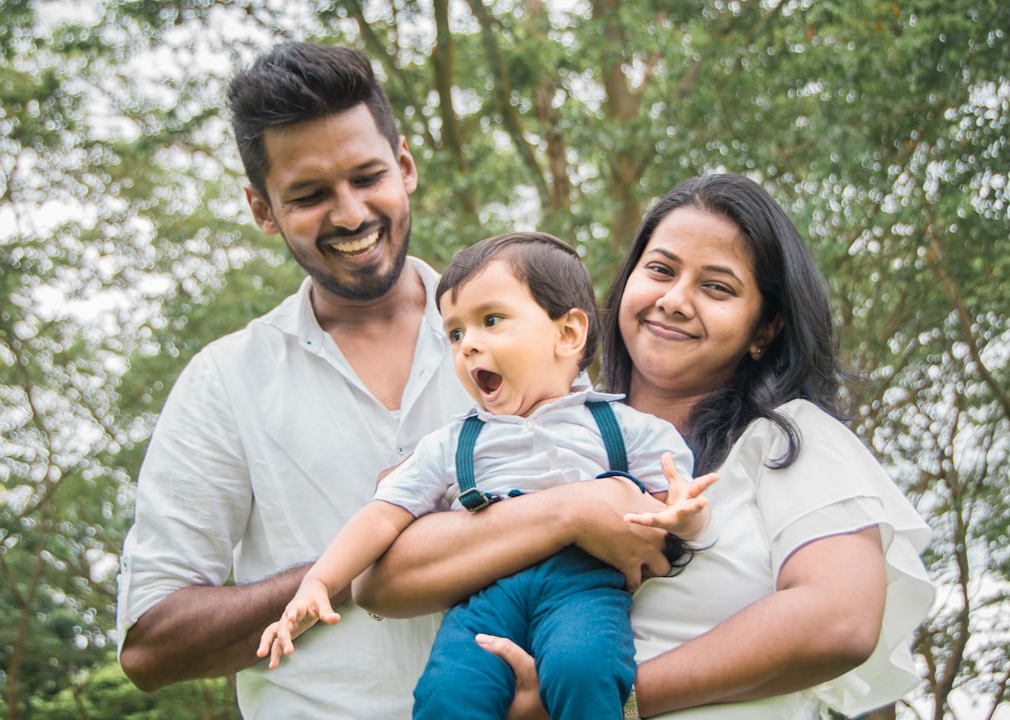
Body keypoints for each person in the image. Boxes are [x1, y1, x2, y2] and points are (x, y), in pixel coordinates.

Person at [353, 174, 935, 719]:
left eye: (717, 287)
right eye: (660, 269)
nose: (676, 299)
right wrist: (571, 511)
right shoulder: (549, 430)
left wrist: (607, 698)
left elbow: (838, 621)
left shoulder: (787, 440)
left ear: (765, 329)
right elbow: (379, 581)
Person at [115, 42, 476, 718]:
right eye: (309, 195)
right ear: (262, 209)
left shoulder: (530, 333)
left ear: (405, 167)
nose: (348, 214)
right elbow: (151, 646)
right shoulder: (223, 382)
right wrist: (353, 564)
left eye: (367, 177)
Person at [257, 231, 716, 720]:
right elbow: (381, 516)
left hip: (582, 590)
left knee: (584, 669)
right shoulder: (454, 442)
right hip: (483, 595)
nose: (468, 345)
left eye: (490, 321)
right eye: (454, 333)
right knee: (447, 692)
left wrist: (686, 518)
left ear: (567, 334)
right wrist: (319, 582)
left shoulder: (623, 426)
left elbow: (673, 512)